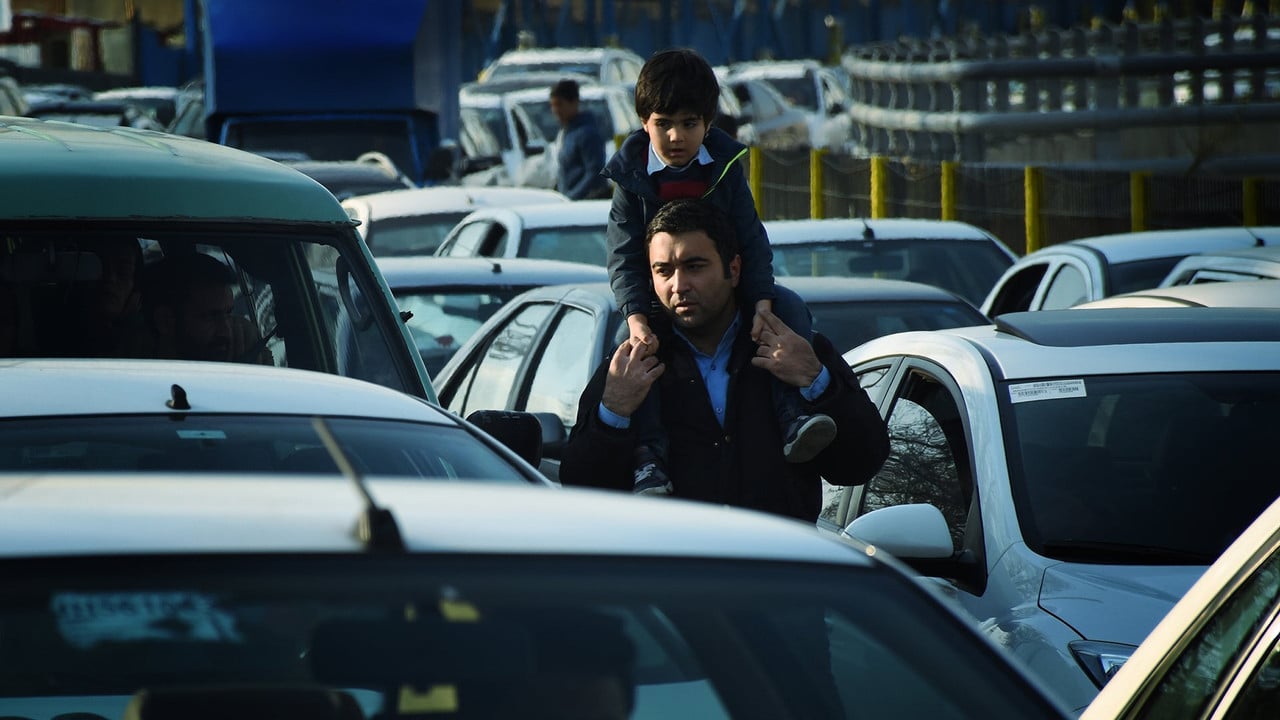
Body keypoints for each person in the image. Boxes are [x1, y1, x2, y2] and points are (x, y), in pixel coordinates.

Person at [559, 199, 889, 524]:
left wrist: (818, 382)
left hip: (780, 567)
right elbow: (581, 491)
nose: (679, 285)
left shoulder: (795, 347)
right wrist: (612, 413)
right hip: (670, 570)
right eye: (664, 271)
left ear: (733, 270)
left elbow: (861, 463)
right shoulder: (633, 364)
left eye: (695, 266)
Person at [599, 47, 832, 495]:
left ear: (708, 124)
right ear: (644, 122)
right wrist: (635, 317)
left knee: (789, 307)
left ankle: (793, 418)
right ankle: (649, 458)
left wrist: (761, 301)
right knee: (625, 349)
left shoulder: (725, 168)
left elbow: (752, 238)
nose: (674, 136)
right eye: (663, 123)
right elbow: (624, 258)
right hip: (658, 302)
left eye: (688, 123)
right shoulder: (630, 179)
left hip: (731, 293)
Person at [139, 253, 271, 364]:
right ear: (165, 321)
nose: (226, 330)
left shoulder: (245, 351)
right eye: (211, 316)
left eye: (228, 314)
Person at [549, 78, 610, 200]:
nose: (556, 110)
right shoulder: (565, 132)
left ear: (574, 102)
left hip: (586, 204)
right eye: (553, 105)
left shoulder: (587, 133)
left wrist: (572, 199)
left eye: (560, 104)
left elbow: (595, 173)